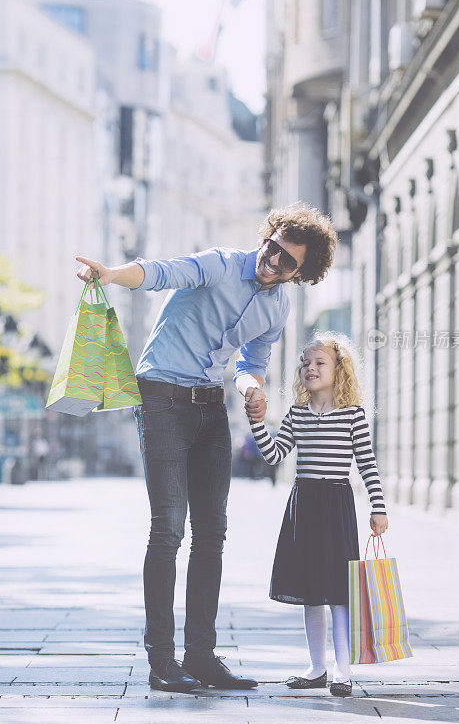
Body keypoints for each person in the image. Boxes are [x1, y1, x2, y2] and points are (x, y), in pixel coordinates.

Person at [75, 204, 337, 694]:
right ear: (267, 237)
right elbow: (160, 272)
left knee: (212, 532)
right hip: (161, 399)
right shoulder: (220, 263)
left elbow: (252, 360)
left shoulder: (277, 306)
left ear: (300, 274)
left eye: (286, 262)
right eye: (272, 247)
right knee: (169, 527)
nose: (272, 261)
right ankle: (162, 661)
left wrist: (250, 387)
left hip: (210, 406)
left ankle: (201, 655)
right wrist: (112, 275)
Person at [246, 333, 388, 698]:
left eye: (319, 362)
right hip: (304, 504)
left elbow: (367, 464)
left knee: (339, 592)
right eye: (306, 363)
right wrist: (258, 423)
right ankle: (316, 668)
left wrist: (378, 506)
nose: (310, 368)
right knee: (311, 591)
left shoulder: (353, 414)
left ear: (339, 369)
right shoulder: (297, 413)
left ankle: (343, 670)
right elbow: (275, 455)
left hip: (336, 504)